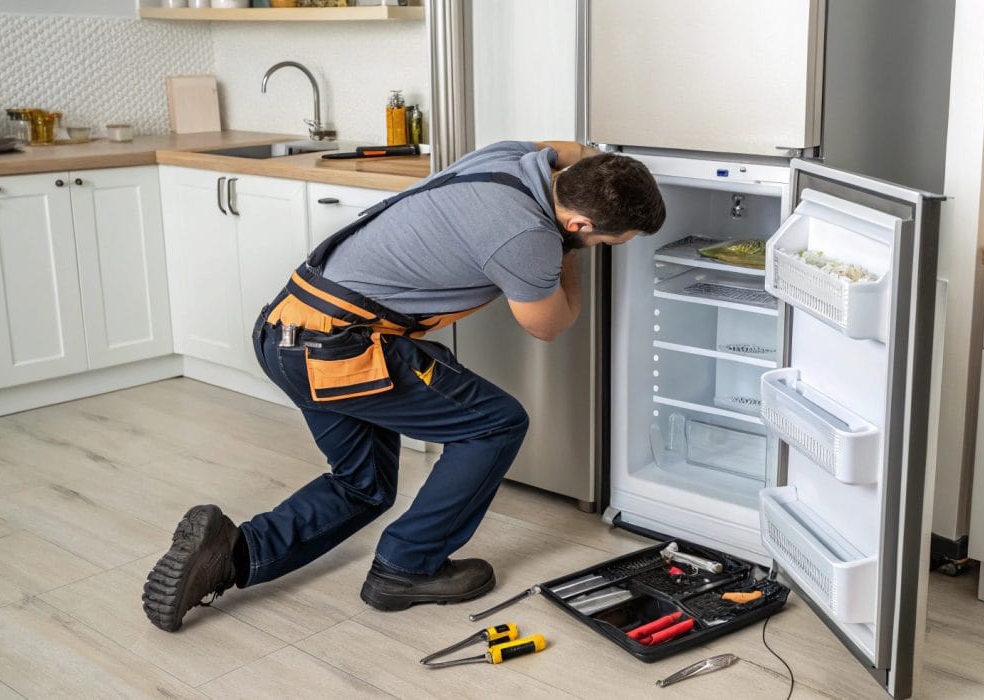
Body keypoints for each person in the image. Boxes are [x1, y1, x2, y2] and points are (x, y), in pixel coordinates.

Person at [142, 141, 666, 632]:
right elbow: (550, 325)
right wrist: (567, 249)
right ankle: (406, 568)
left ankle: (231, 555)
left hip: (286, 331)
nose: (602, 248)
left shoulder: (512, 157)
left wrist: (599, 186)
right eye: (607, 241)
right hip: (340, 349)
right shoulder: (529, 238)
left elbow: (575, 150)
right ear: (578, 223)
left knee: (363, 484)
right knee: (496, 424)